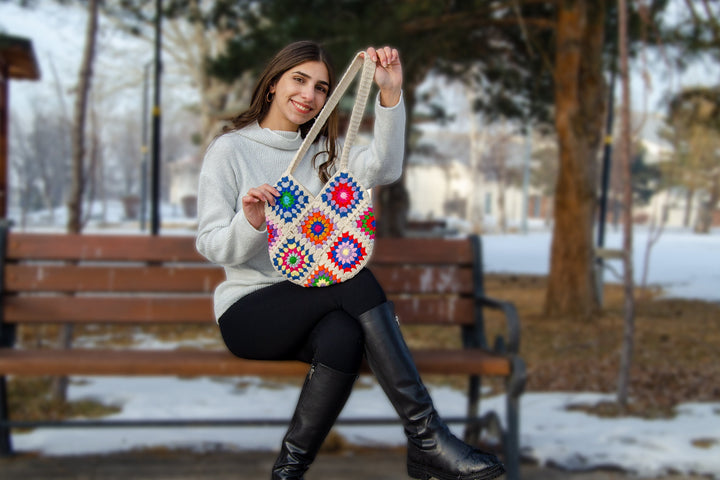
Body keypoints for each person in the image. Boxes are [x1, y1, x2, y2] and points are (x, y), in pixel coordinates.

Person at [196, 41, 505, 480]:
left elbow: (385, 167)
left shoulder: (328, 154)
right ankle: (427, 437)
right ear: (273, 84)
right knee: (350, 277)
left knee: (343, 335)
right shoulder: (231, 150)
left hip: (315, 305)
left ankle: (288, 471)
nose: (309, 95)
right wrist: (251, 222)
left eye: (322, 87)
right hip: (250, 311)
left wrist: (391, 93)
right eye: (298, 80)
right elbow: (211, 244)